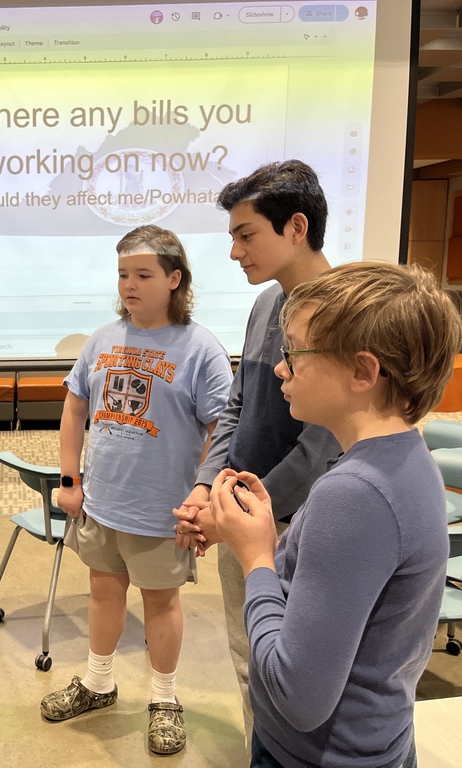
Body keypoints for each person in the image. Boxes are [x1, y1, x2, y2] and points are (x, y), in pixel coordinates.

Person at [201, 262, 461, 767]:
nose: (281, 368)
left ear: (364, 372)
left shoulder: (354, 493)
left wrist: (257, 556)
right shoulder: (405, 457)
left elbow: (299, 697)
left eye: (294, 353)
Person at [39, 225, 232, 755]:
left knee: (160, 601)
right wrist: (69, 478)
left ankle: (165, 699)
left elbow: (221, 429)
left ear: (175, 279)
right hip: (103, 501)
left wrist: (202, 491)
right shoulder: (102, 339)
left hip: (162, 509)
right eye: (123, 274)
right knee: (103, 590)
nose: (129, 285)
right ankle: (99, 684)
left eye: (143, 275)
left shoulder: (202, 350)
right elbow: (76, 408)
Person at [173, 160, 341, 744]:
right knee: (249, 662)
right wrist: (205, 486)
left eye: (247, 236)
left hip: (302, 525)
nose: (235, 252)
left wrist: (233, 514)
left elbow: (320, 448)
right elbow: (238, 405)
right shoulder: (267, 304)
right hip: (243, 517)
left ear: (296, 227)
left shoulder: (348, 316)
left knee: (302, 683)